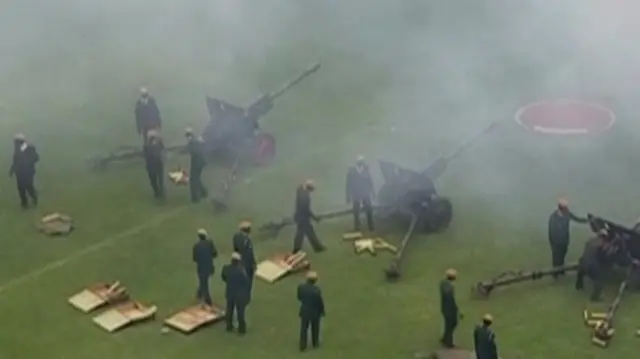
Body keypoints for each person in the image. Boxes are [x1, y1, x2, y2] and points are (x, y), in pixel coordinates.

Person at [548, 198, 587, 277]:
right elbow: (551, 232)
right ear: (561, 208)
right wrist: (552, 244)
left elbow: (577, 219)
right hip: (556, 242)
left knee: (563, 256)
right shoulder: (553, 217)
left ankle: (561, 271)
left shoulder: (567, 214)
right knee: (556, 258)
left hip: (565, 241)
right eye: (566, 208)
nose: (567, 209)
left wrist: (587, 220)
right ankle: (555, 274)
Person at [575, 229, 610, 301]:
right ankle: (595, 298)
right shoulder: (602, 244)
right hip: (592, 264)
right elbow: (603, 257)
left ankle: (579, 286)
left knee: (581, 272)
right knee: (599, 280)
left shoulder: (590, 241)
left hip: (583, 261)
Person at [293, 180, 326, 253]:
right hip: (303, 218)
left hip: (300, 217)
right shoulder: (305, 197)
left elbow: (300, 186)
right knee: (306, 233)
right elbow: (306, 209)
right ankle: (317, 247)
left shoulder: (301, 191)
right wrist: (315, 218)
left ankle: (297, 249)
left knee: (303, 233)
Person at [221, 252, 250, 334]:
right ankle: (241, 329)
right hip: (239, 294)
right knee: (240, 312)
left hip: (230, 292)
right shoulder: (241, 271)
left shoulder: (226, 268)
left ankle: (229, 326)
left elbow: (223, 277)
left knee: (229, 310)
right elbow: (246, 282)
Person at [8, 133, 39, 209]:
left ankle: (34, 198)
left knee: (29, 186)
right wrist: (12, 170)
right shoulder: (17, 150)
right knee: (21, 188)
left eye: (16, 141)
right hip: (19, 172)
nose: (15, 143)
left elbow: (36, 158)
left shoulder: (30, 148)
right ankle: (24, 203)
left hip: (28, 172)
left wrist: (29, 162)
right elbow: (15, 161)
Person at [297, 271, 325, 351]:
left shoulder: (301, 287)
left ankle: (302, 346)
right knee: (315, 328)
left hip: (304, 311)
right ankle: (315, 343)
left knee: (303, 329)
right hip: (315, 312)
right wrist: (322, 310)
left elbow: (299, 297)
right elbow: (319, 301)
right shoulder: (316, 290)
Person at [346, 155, 375, 232]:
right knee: (356, 211)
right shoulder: (351, 171)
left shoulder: (366, 170)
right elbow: (348, 184)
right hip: (356, 193)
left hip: (365, 192)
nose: (361, 163)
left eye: (362, 162)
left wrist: (373, 192)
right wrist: (348, 196)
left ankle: (371, 225)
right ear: (357, 162)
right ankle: (357, 226)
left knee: (369, 208)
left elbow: (370, 182)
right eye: (360, 162)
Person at [192, 229, 218, 306]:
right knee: (205, 282)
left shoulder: (196, 246)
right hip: (209, 266)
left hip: (200, 267)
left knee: (203, 281)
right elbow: (215, 254)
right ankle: (207, 298)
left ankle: (202, 295)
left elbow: (195, 258)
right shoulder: (210, 243)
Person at [233, 221, 257, 301]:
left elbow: (235, 248)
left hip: (239, 260)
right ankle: (246, 296)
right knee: (248, 279)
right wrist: (253, 263)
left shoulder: (236, 236)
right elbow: (250, 252)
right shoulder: (247, 239)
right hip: (247, 262)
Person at [185, 127, 208, 202]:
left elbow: (191, 150)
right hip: (201, 162)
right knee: (196, 178)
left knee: (193, 179)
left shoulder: (192, 141)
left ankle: (195, 198)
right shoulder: (197, 140)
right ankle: (203, 192)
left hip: (197, 162)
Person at [440, 268, 461, 348]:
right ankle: (449, 342)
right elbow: (451, 299)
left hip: (444, 308)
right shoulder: (450, 287)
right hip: (450, 309)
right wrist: (456, 308)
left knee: (448, 324)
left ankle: (445, 338)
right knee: (452, 323)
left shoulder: (443, 283)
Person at [142, 130, 165, 199]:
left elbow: (163, 151)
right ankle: (157, 192)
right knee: (154, 180)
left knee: (159, 180)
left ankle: (161, 193)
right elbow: (144, 155)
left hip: (157, 164)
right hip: (152, 165)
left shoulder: (158, 143)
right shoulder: (146, 146)